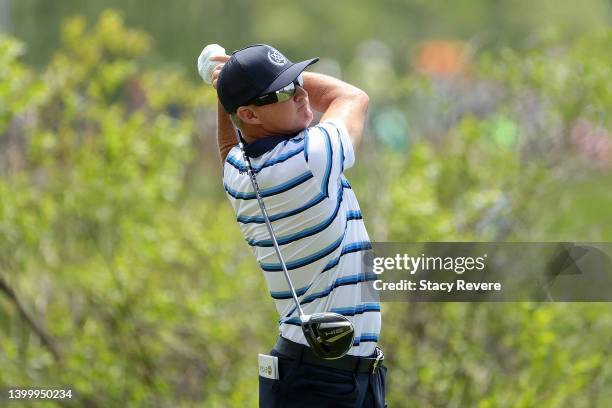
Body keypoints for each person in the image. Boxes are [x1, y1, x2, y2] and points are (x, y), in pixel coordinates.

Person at [209, 44, 386, 407]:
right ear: (249, 114)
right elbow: (351, 96)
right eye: (286, 90)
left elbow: (229, 146)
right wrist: (225, 87)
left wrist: (226, 90)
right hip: (323, 381)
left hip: (321, 371)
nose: (303, 93)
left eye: (297, 80)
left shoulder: (239, 173)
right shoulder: (309, 158)